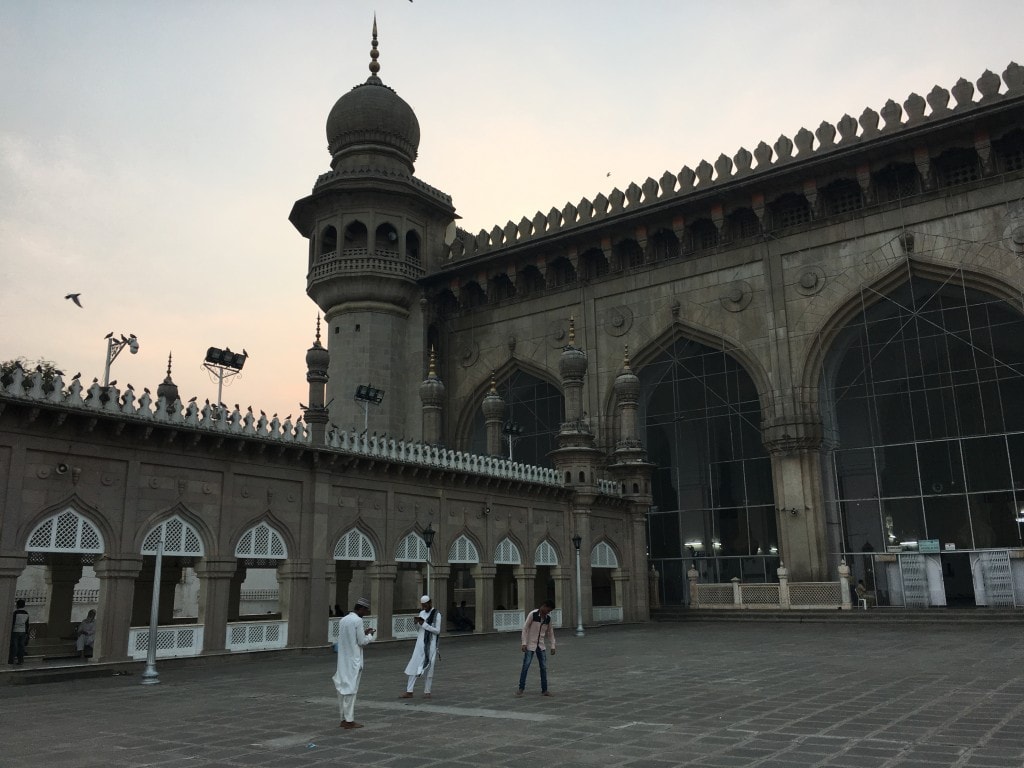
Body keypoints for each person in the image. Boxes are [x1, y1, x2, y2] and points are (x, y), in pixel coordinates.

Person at [332, 597, 376, 729]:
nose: (366, 613)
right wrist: (369, 636)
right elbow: (361, 642)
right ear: (360, 608)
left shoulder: (344, 619)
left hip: (343, 660)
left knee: (342, 689)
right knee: (351, 690)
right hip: (353, 661)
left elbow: (350, 637)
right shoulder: (358, 620)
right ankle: (349, 720)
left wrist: (363, 633)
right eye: (365, 610)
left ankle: (343, 718)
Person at [400, 595, 441, 699]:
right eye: (422, 606)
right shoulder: (422, 613)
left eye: (425, 605)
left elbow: (437, 631)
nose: (424, 608)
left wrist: (424, 624)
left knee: (429, 668)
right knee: (414, 664)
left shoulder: (437, 614)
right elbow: (420, 630)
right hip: (419, 644)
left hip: (430, 644)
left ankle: (427, 691)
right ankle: (409, 691)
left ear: (430, 603)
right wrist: (417, 624)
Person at [516, 600, 556, 697]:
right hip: (530, 645)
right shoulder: (533, 614)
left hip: (541, 645)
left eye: (550, 611)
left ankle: (544, 689)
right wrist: (524, 643)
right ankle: (521, 688)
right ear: (544, 606)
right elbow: (525, 628)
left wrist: (553, 645)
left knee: (543, 667)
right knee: (526, 666)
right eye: (548, 610)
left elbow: (550, 633)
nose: (548, 612)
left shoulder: (548, 619)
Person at [8, 598, 30, 665]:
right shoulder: (26, 613)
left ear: (17, 605)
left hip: (15, 631)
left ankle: (11, 660)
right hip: (23, 631)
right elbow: (27, 624)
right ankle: (20, 660)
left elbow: (12, 623)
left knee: (14, 646)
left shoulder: (15, 613)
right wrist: (26, 633)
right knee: (21, 646)